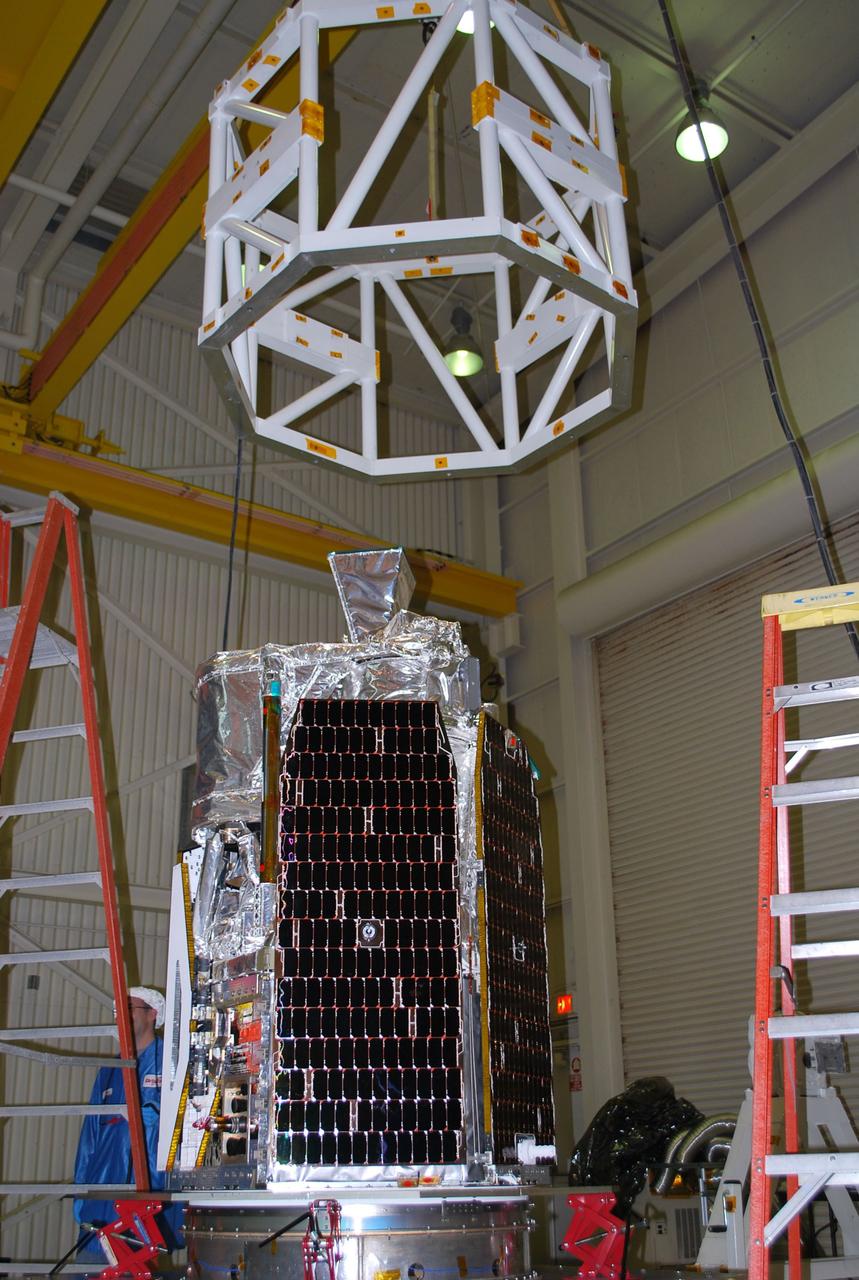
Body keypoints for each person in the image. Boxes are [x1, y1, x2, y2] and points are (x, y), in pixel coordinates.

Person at [73, 986, 184, 1262]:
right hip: (101, 1202)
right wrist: (80, 1191)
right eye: (118, 1011)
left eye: (129, 1008)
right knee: (90, 1270)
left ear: (152, 1014)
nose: (121, 1015)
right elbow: (89, 1136)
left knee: (139, 1269)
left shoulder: (173, 1066)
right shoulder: (109, 1071)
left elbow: (183, 1128)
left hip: (147, 1202)